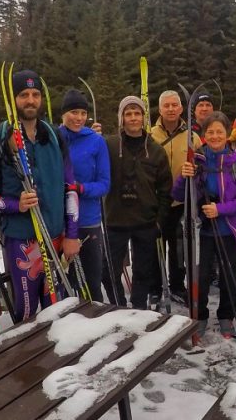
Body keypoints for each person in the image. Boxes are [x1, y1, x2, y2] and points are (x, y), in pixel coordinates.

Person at [0, 70, 79, 322]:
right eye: (23, 95)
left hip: (56, 237)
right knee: (26, 311)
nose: (30, 100)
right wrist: (15, 204)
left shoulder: (55, 135)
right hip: (22, 241)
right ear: (13, 100)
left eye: (35, 95)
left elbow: (71, 188)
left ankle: (58, 359)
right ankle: (30, 360)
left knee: (57, 308)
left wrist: (72, 235)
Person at [172, 111, 236, 340]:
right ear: (204, 134)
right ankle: (199, 316)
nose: (215, 136)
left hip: (229, 229)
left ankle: (226, 315)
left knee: (229, 275)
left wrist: (221, 209)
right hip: (203, 231)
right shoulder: (196, 160)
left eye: (220, 131)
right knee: (200, 276)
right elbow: (178, 194)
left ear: (227, 134)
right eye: (211, 132)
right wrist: (183, 175)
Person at [103, 96, 173, 310]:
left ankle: (139, 308)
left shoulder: (156, 151)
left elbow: (165, 190)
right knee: (108, 271)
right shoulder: (109, 146)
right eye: (128, 114)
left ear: (143, 118)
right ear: (121, 118)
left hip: (146, 222)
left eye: (137, 113)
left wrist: (159, 221)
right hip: (116, 220)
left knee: (144, 271)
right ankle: (119, 307)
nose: (133, 118)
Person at [58, 89, 111, 302]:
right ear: (63, 114)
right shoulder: (53, 137)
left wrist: (81, 189)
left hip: (88, 220)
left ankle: (96, 324)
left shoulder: (96, 142)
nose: (79, 118)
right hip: (59, 222)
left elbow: (104, 184)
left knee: (91, 282)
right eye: (73, 112)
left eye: (82, 113)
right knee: (66, 284)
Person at [150, 90, 202, 304]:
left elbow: (202, 165)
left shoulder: (192, 136)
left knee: (179, 248)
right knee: (155, 245)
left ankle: (177, 286)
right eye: (166, 106)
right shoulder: (150, 134)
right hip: (156, 201)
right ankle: (154, 286)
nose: (171, 109)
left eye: (174, 105)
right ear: (160, 109)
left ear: (181, 108)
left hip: (182, 201)